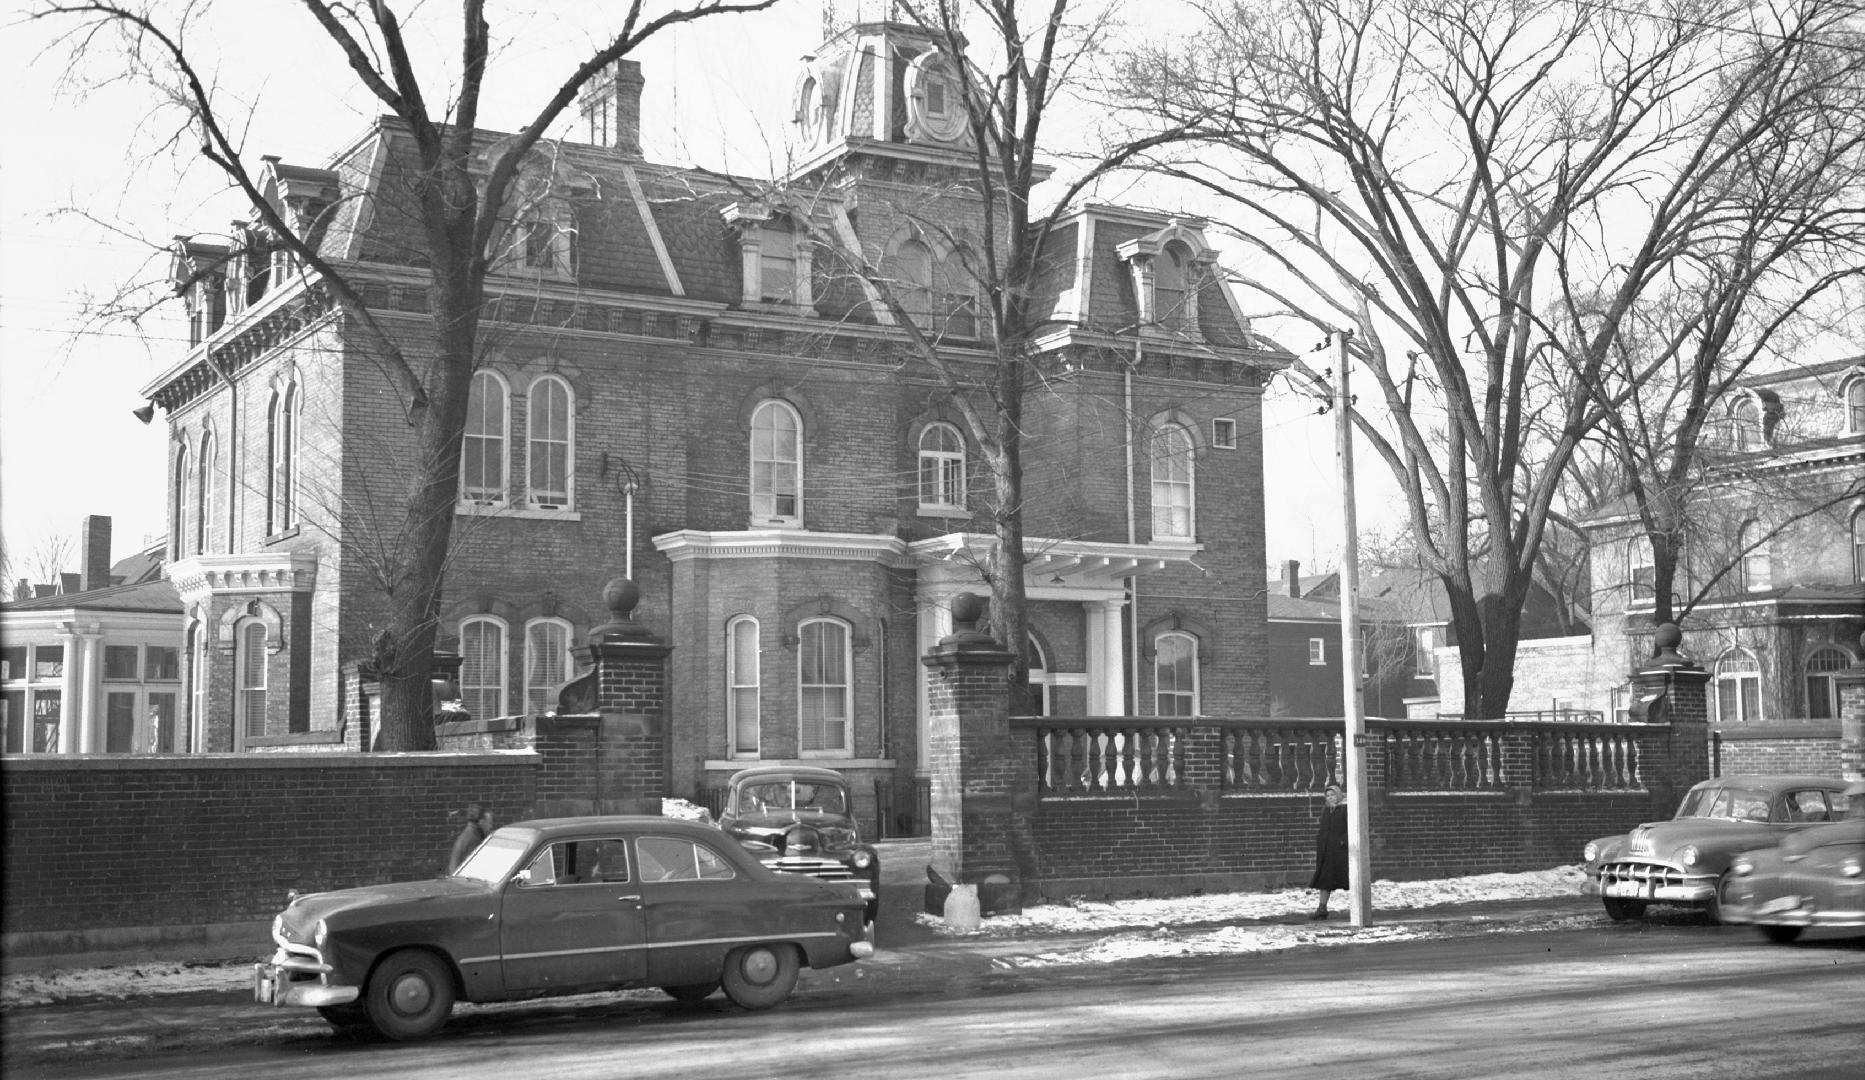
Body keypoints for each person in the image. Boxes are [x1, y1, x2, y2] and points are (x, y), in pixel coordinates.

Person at [1309, 783, 1349, 920]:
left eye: (1333, 795)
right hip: (1326, 851)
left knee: (1348, 879)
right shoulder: (1326, 810)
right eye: (1328, 795)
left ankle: (1360, 908)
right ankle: (1322, 908)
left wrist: (1342, 841)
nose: (1330, 798)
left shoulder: (1345, 809)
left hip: (1340, 852)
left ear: (1338, 795)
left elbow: (1349, 828)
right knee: (1325, 880)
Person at [449, 804, 493, 873]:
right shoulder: (474, 839)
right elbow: (475, 870)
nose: (490, 826)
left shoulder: (468, 834)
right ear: (481, 822)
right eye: (489, 823)